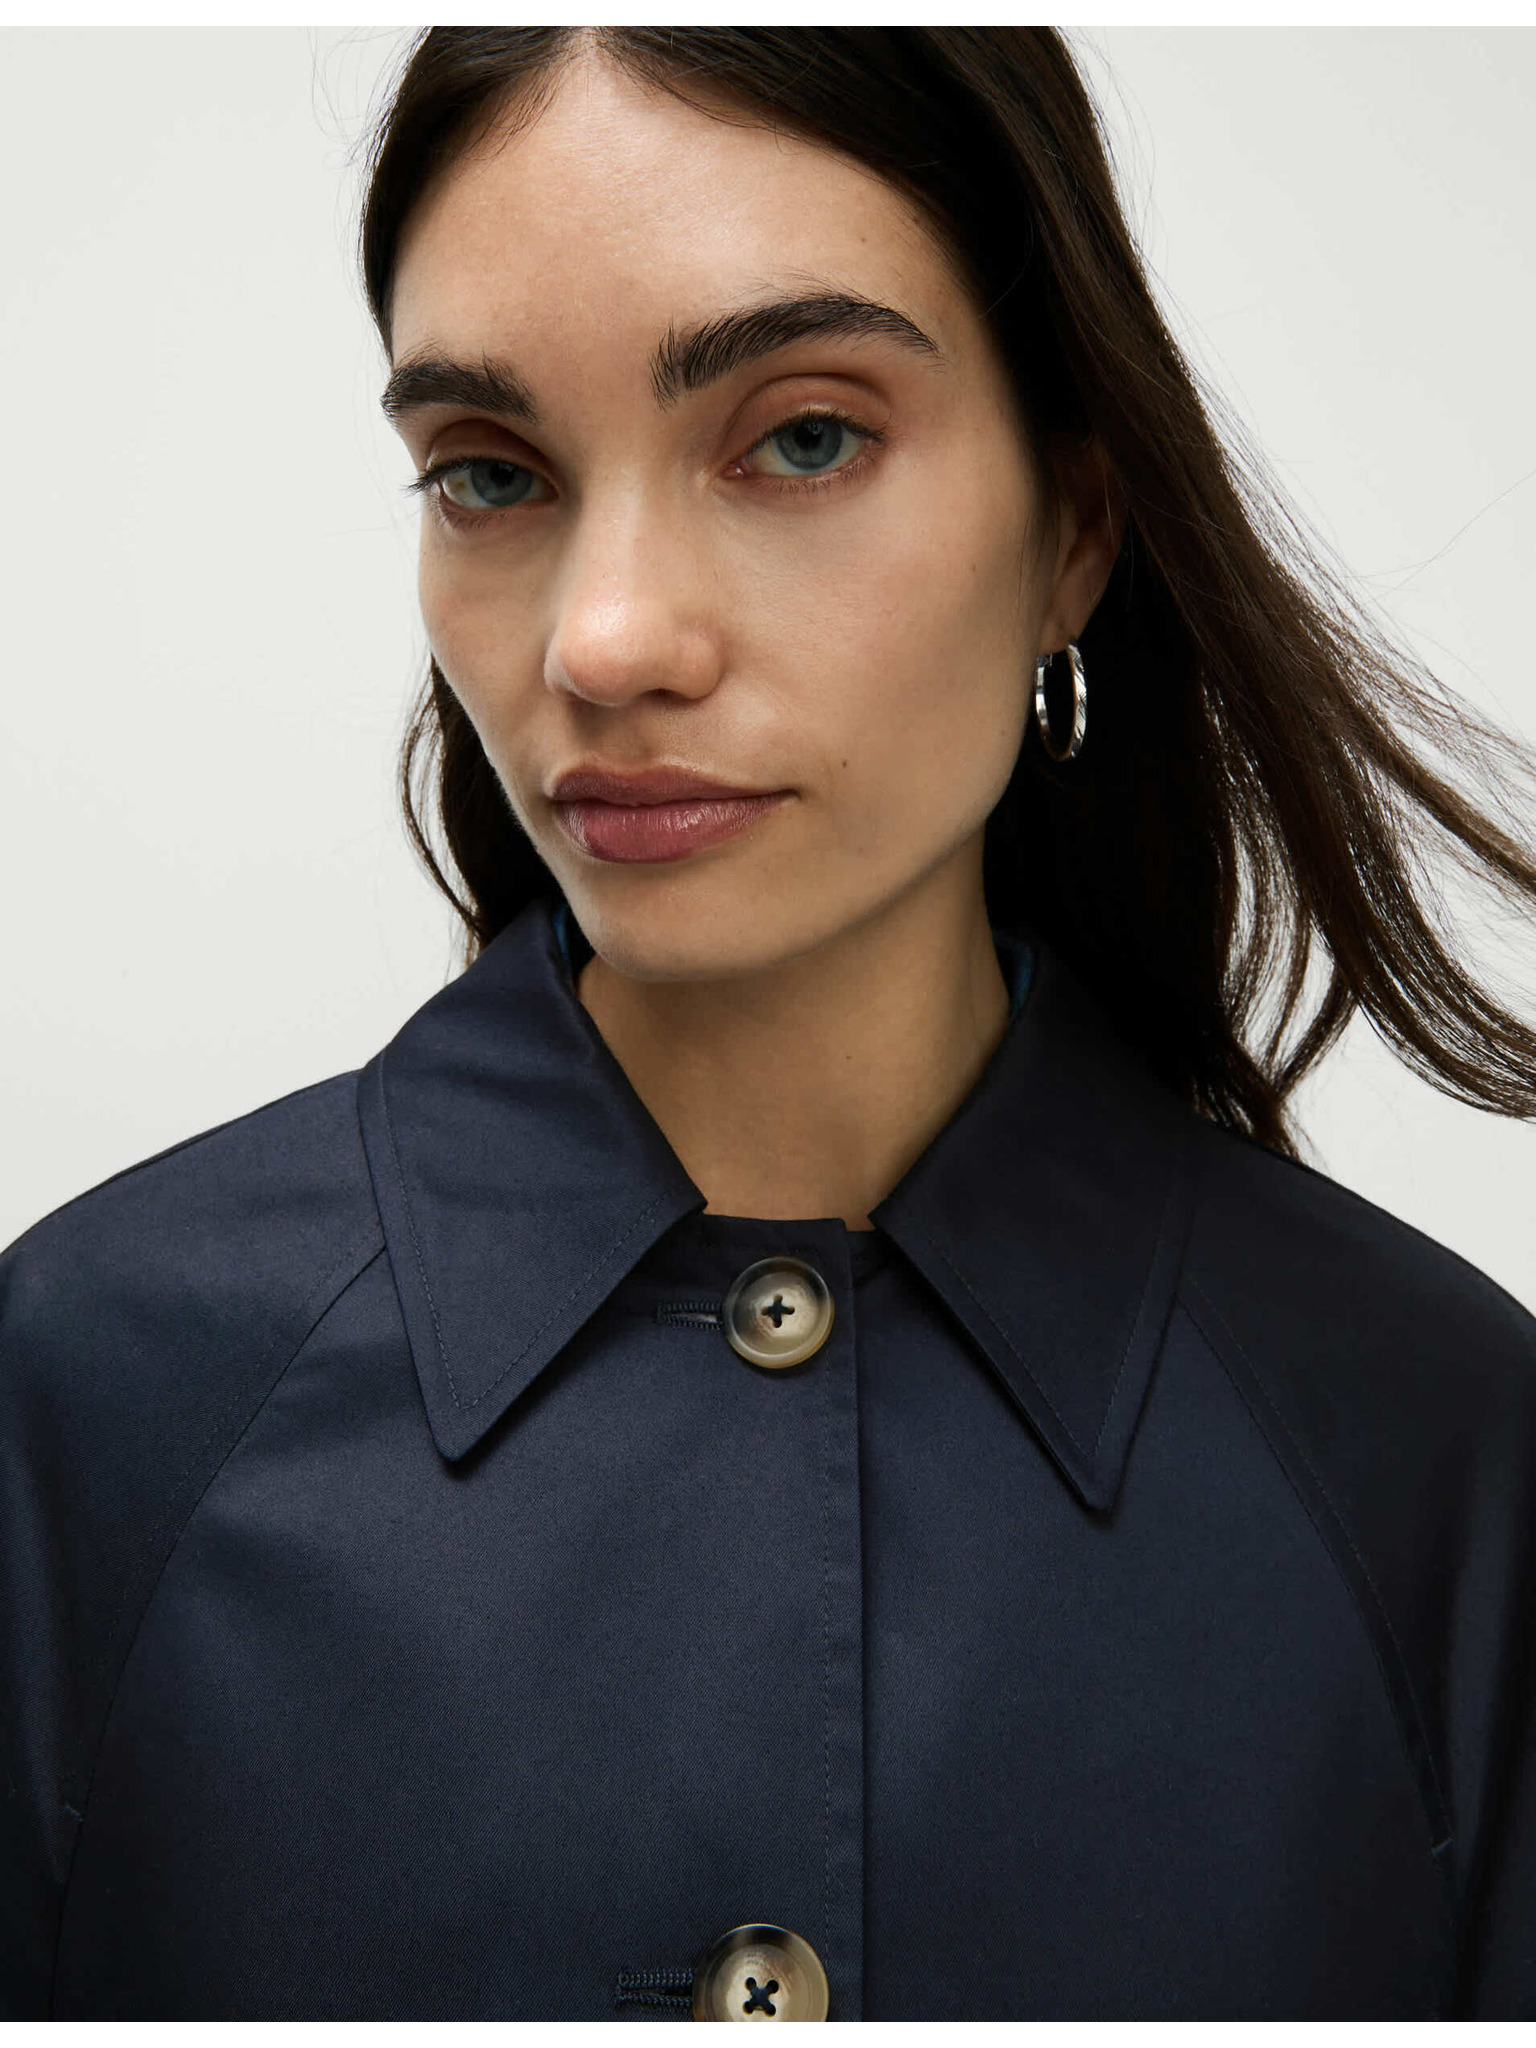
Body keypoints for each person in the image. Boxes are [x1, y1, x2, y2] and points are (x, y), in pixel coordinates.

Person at [3, 26, 1534, 2021]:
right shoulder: (85, 1404)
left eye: (802, 439)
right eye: (490, 473)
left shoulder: (1437, 1451)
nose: (605, 639)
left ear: (1075, 527)